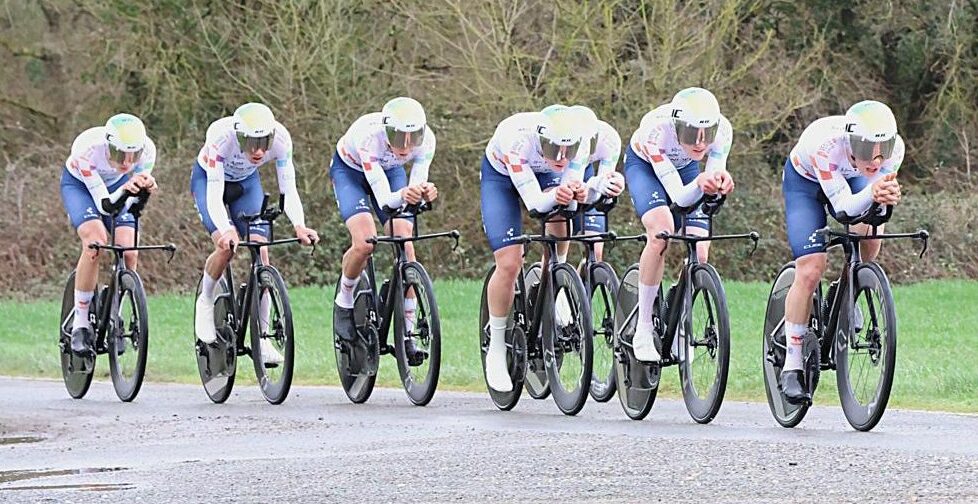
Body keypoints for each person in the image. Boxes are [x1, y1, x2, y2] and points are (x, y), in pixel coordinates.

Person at [480, 104, 621, 392]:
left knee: (562, 214)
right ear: (541, 139)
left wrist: (586, 190)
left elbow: (575, 195)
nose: (560, 157)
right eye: (553, 148)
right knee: (509, 262)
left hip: (544, 177)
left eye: (566, 151)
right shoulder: (517, 141)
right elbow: (534, 203)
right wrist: (558, 193)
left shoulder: (576, 143)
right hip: (503, 178)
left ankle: (555, 280)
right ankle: (496, 347)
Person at [779, 100, 903, 404]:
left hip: (850, 181)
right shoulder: (826, 145)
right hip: (806, 186)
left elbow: (873, 202)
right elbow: (845, 208)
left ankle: (845, 291)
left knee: (870, 236)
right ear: (851, 143)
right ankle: (792, 365)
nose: (875, 159)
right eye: (865, 150)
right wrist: (873, 193)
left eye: (882, 149)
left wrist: (884, 199)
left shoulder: (894, 150)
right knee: (810, 270)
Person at [192, 103, 319, 365]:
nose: (259, 150)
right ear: (239, 137)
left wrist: (299, 224)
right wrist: (226, 229)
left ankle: (261, 338)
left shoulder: (282, 139)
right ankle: (205, 300)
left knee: (262, 252)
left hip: (247, 184)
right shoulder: (220, 138)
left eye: (264, 142)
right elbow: (215, 195)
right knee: (225, 247)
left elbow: (289, 189)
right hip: (210, 181)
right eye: (252, 143)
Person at [623, 87, 735, 363]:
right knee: (662, 232)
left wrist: (719, 184)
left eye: (706, 135)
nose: (699, 143)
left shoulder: (723, 132)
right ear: (676, 128)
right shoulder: (655, 131)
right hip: (647, 168)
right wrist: (700, 183)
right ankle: (644, 328)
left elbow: (713, 176)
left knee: (700, 252)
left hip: (686, 168)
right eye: (690, 134)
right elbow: (679, 197)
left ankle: (678, 313)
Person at [330, 97, 438, 362]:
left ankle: (408, 334)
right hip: (351, 174)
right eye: (398, 137)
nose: (406, 146)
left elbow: (415, 183)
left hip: (390, 172)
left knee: (407, 247)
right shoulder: (369, 137)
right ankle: (344, 301)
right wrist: (406, 194)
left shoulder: (427, 141)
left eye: (413, 137)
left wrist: (424, 192)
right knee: (365, 242)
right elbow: (386, 200)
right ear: (386, 130)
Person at [61, 113, 159, 356]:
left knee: (129, 252)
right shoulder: (87, 149)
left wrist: (144, 192)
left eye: (132, 156)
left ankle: (116, 310)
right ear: (108, 147)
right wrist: (127, 188)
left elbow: (135, 205)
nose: (127, 163)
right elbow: (105, 206)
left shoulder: (148, 151)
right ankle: (81, 324)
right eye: (119, 155)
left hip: (117, 186)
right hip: (81, 187)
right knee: (95, 243)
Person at [568, 105, 624, 262]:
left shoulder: (609, 138)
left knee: (595, 252)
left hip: (585, 174)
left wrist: (608, 184)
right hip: (560, 174)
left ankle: (579, 286)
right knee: (559, 241)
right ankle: (545, 280)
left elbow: (598, 192)